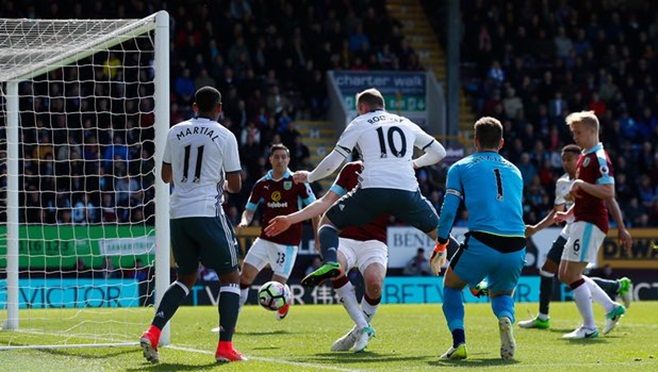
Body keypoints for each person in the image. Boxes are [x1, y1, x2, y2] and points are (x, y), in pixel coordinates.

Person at [266, 161, 455, 352]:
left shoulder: (394, 170)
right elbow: (326, 201)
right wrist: (290, 218)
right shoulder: (350, 169)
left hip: (375, 241)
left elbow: (409, 205)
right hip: (344, 238)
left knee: (374, 284)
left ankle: (356, 332)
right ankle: (363, 326)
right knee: (334, 267)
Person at [291, 88, 447, 294]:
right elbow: (439, 152)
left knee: (327, 223)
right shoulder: (405, 122)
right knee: (441, 235)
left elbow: (334, 160)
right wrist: (414, 164)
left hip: (373, 191)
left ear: (362, 107)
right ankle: (474, 275)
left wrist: (310, 176)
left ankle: (330, 262)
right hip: (407, 193)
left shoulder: (359, 122)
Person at [139, 86, 246, 363]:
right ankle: (225, 347)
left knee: (185, 277)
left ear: (195, 106)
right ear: (219, 108)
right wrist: (218, 181)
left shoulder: (174, 131)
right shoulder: (225, 135)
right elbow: (235, 185)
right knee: (231, 278)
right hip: (207, 212)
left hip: (178, 213)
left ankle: (152, 332)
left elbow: (164, 176)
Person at [435, 116, 526, 360]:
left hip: (483, 240)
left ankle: (459, 344)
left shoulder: (461, 167)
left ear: (475, 141)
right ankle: (505, 318)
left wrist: (441, 242)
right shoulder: (515, 171)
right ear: (502, 143)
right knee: (503, 293)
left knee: (452, 286)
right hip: (517, 243)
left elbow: (449, 209)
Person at [519, 144, 633, 330]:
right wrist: (536, 228)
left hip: (587, 229)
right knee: (550, 270)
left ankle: (612, 297)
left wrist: (621, 227)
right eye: (563, 159)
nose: (565, 163)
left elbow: (609, 199)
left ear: (580, 159)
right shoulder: (562, 183)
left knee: (572, 275)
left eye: (569, 159)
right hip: (569, 231)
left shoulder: (590, 179)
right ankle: (543, 316)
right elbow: (557, 212)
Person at [555, 111, 632, 339]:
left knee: (573, 273)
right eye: (573, 133)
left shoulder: (599, 157)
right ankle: (611, 307)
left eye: (578, 133)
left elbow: (609, 192)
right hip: (580, 220)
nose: (575, 137)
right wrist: (568, 213)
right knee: (564, 274)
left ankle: (589, 327)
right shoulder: (584, 156)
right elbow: (587, 194)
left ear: (591, 131)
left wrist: (579, 183)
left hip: (591, 222)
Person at [237, 144, 318, 321]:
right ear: (270, 159)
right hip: (264, 239)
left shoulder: (298, 182)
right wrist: (244, 221)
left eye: (284, 157)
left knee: (276, 286)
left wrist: (318, 238)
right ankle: (231, 322)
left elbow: (315, 209)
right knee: (244, 277)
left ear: (288, 160)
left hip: (287, 244)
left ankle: (286, 297)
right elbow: (249, 210)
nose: (280, 160)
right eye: (277, 157)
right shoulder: (262, 184)